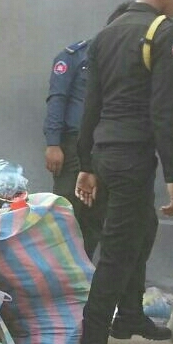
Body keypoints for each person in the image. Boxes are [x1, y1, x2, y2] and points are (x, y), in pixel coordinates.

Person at [70, 0, 173, 344]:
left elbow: (91, 106)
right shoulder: (165, 31)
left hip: (106, 154)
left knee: (143, 228)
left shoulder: (107, 33)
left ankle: (129, 316)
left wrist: (87, 163)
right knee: (119, 249)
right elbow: (164, 111)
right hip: (131, 158)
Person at [44, 38, 106, 259]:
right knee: (66, 210)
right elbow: (57, 99)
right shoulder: (74, 56)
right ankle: (59, 268)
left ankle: (83, 268)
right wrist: (53, 143)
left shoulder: (115, 58)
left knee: (95, 214)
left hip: (104, 147)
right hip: (73, 146)